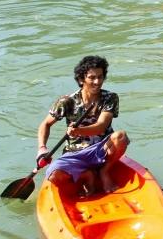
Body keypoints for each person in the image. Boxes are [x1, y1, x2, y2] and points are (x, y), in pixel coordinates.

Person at [36, 54, 123, 197]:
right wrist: (42, 148)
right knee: (53, 176)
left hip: (102, 148)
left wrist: (78, 131)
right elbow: (45, 124)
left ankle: (104, 171)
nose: (97, 82)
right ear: (81, 79)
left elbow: (101, 126)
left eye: (100, 77)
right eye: (92, 78)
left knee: (120, 137)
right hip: (75, 153)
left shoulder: (110, 97)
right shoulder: (67, 101)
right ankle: (86, 175)